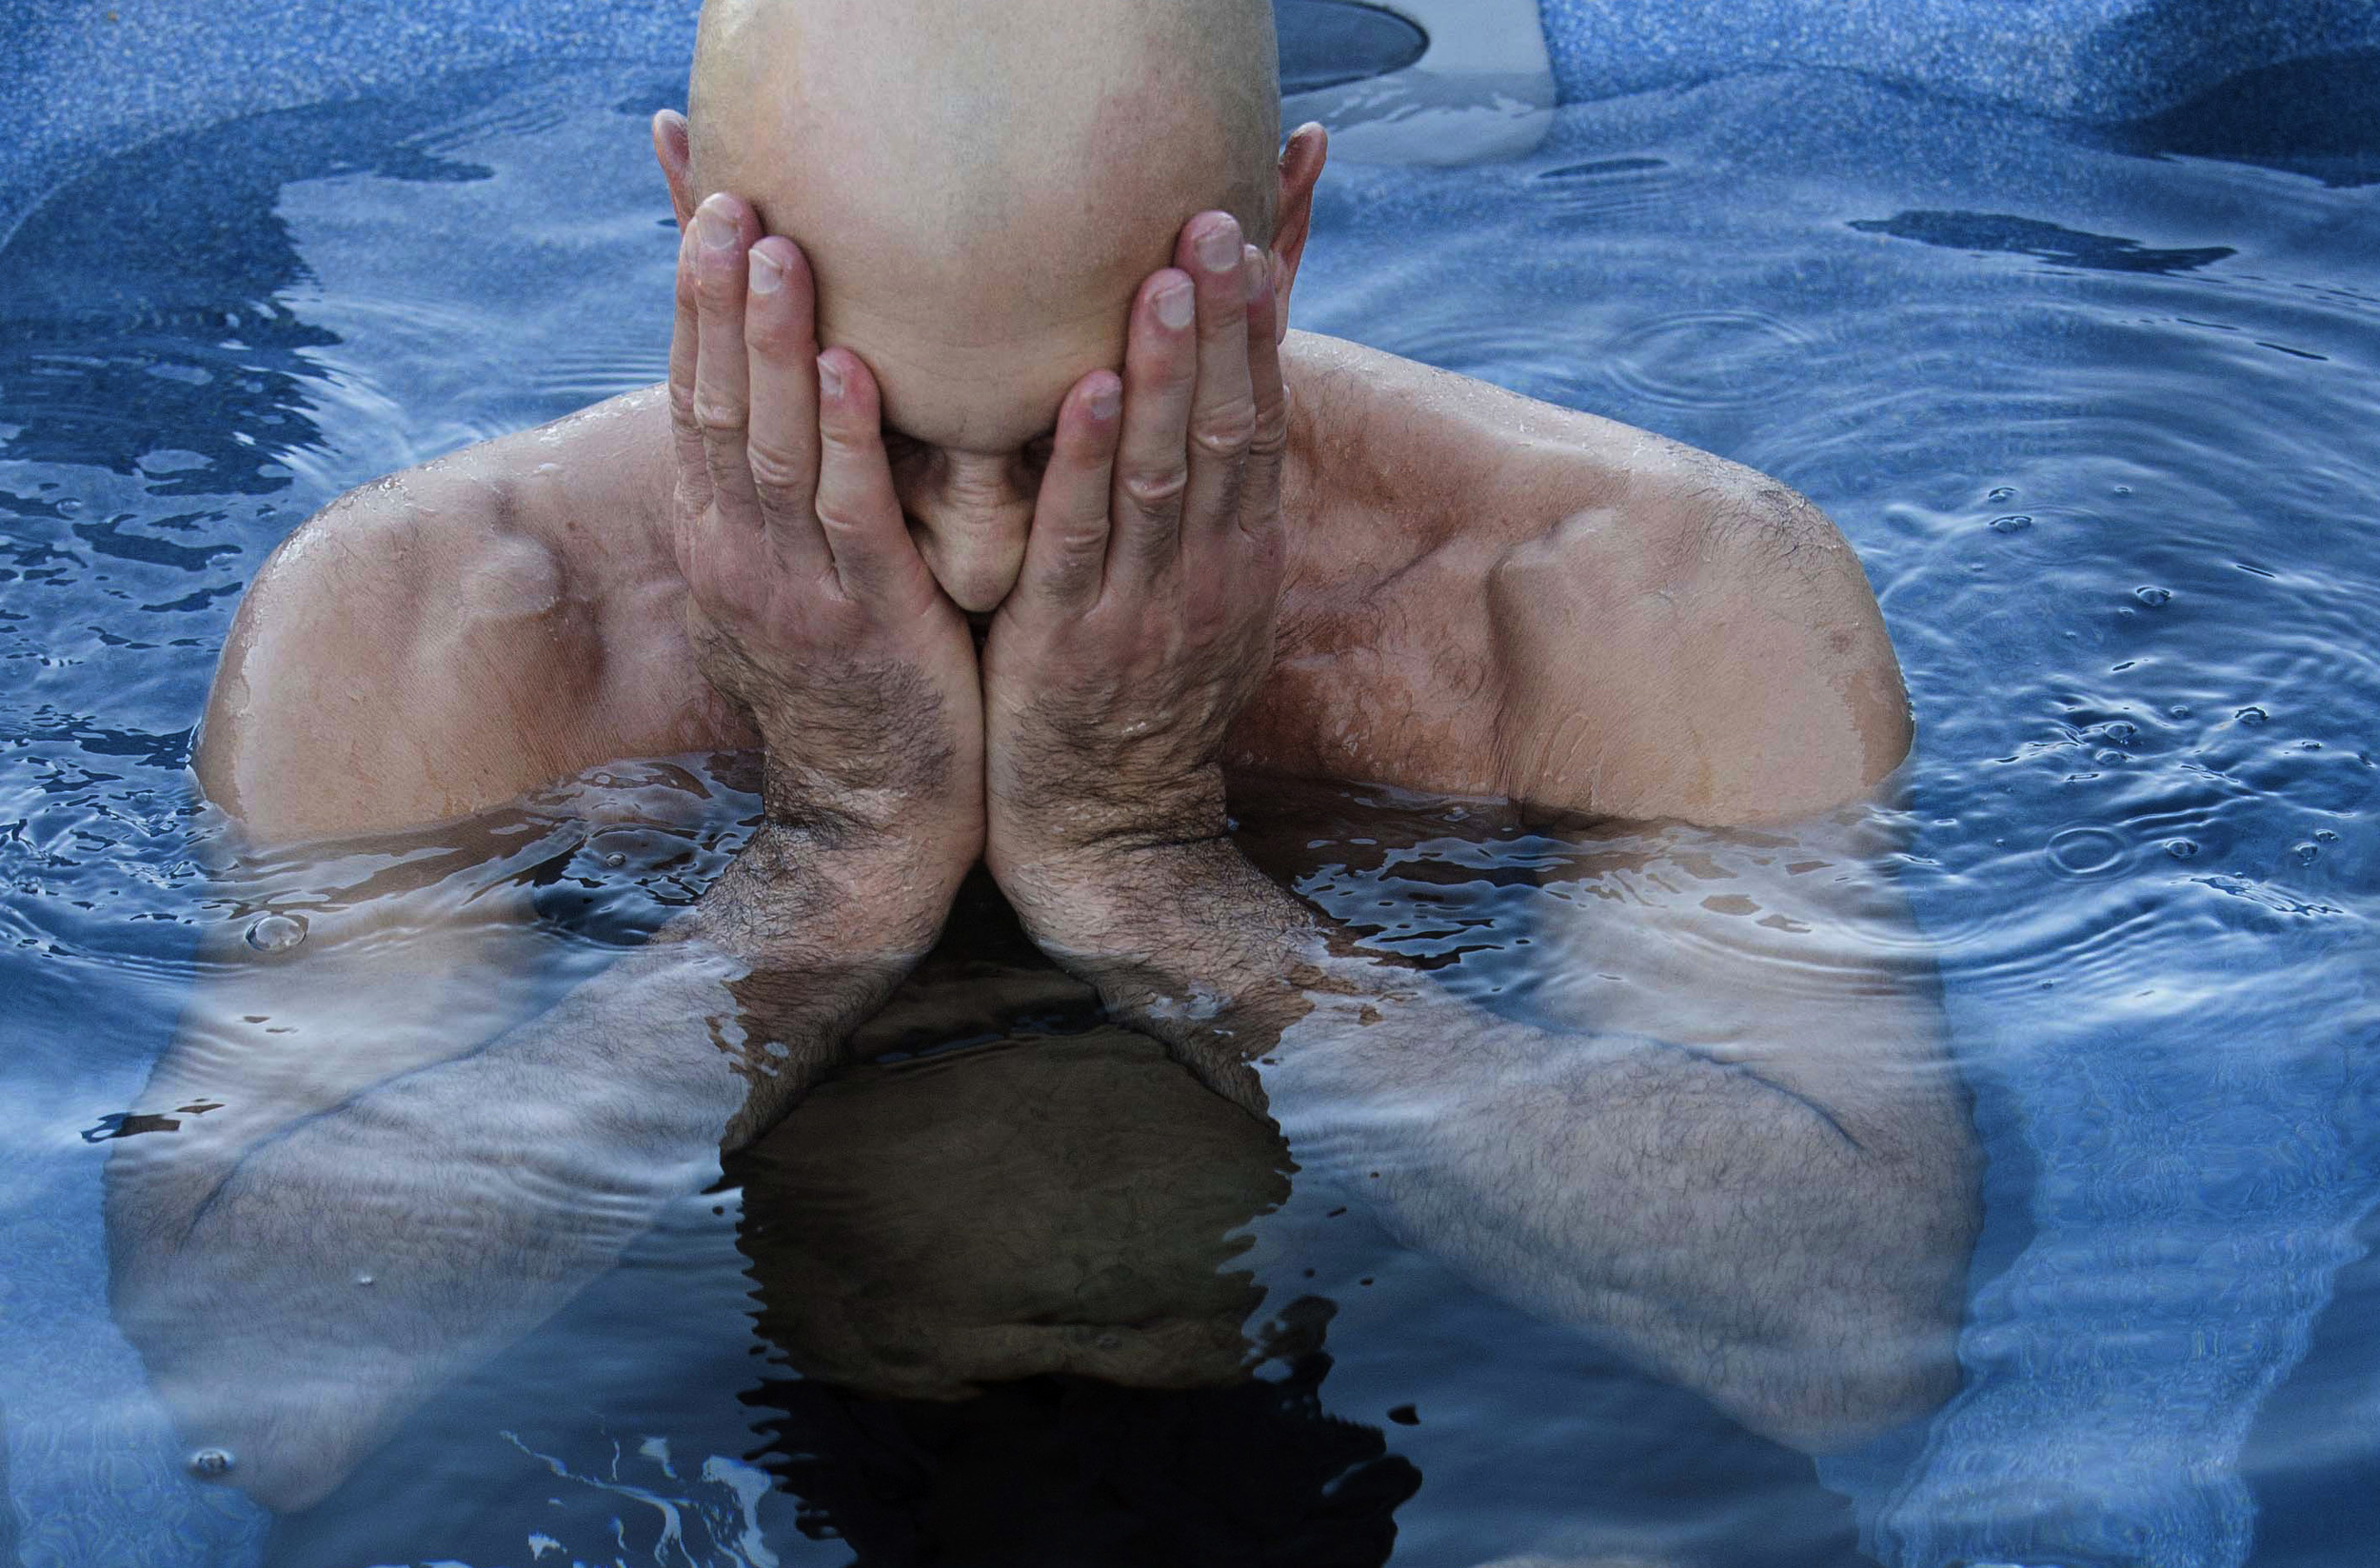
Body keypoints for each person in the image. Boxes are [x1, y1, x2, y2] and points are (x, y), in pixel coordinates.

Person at [105, 0, 1980, 1532]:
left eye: (1079, 434)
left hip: (1465, 1425)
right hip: (669, 1436)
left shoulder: (1627, 596)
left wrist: (1150, 869)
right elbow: (253, 1360)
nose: (987, 553)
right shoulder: (446, 614)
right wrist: (832, 858)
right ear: (692, 231)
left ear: (1285, 230)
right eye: (894, 445)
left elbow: (1840, 1322)